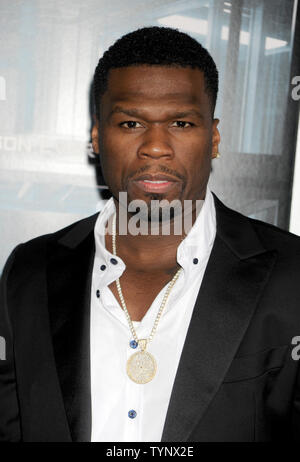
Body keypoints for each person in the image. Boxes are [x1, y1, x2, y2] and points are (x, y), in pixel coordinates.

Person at [0, 26, 299, 443]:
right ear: (96, 137)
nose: (155, 146)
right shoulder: (29, 272)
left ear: (213, 138)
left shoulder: (292, 276)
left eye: (180, 122)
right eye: (130, 122)